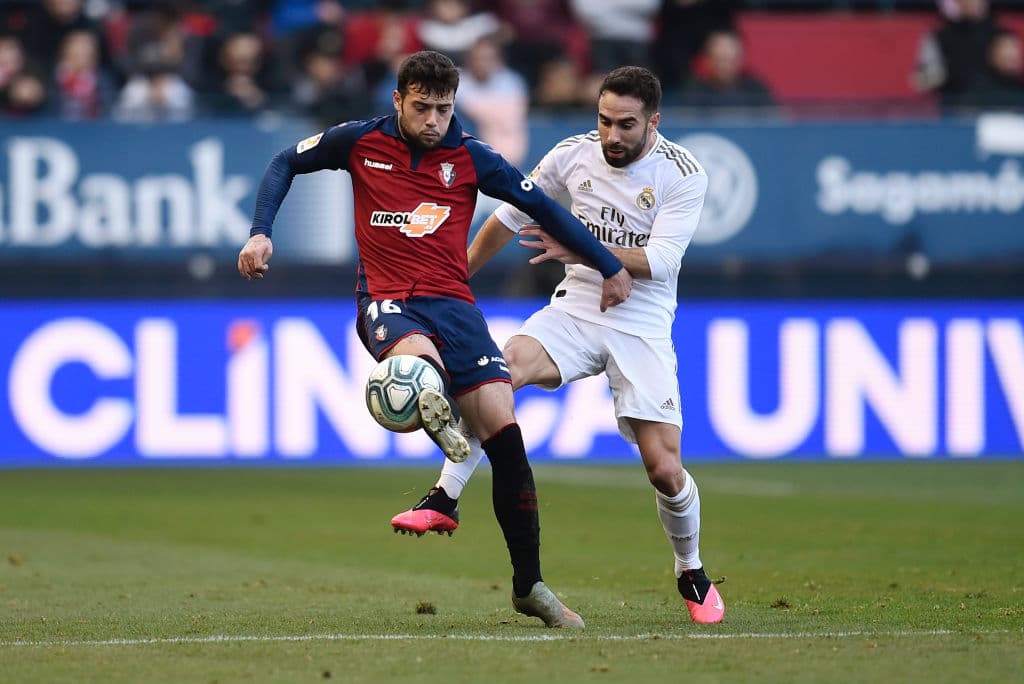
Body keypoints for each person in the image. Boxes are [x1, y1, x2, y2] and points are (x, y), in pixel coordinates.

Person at [237, 50, 633, 629]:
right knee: (418, 370)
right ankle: (435, 405)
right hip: (388, 301)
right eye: (421, 107)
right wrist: (260, 233)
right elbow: (284, 162)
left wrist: (609, 265)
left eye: (443, 109)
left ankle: (529, 586)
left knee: (507, 440)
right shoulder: (359, 141)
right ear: (398, 100)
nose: (433, 120)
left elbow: (545, 209)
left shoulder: (473, 157)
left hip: (456, 307)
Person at [390, 65, 726, 624]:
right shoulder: (573, 154)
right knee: (497, 373)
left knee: (664, 469)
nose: (611, 135)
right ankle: (445, 497)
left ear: (653, 123)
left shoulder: (683, 173)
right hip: (575, 309)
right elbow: (506, 217)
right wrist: (454, 279)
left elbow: (661, 261)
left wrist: (579, 245)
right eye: (604, 120)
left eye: (626, 125)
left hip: (642, 325)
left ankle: (689, 568)